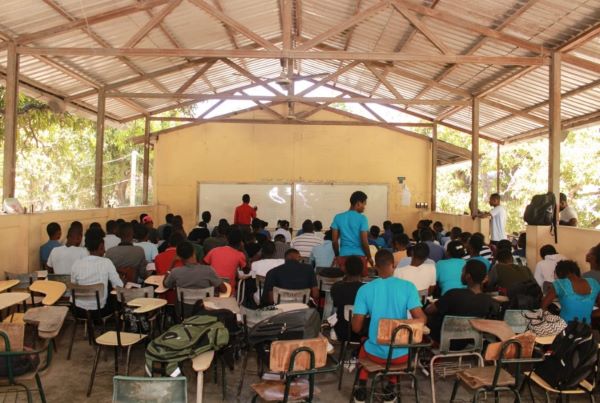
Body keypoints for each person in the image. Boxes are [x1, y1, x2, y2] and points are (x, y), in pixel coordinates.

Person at [351, 249, 426, 402]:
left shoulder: (364, 290)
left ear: (375, 267)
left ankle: (362, 387)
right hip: (402, 356)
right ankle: (391, 388)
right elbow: (421, 319)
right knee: (396, 347)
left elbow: (356, 328)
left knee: (364, 346)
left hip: (375, 355)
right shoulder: (408, 287)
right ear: (393, 265)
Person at [426, 260, 499, 344]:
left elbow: (429, 310)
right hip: (471, 341)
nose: (461, 274)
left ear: (468, 276)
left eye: (462, 272)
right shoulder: (487, 300)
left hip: (445, 341)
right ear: (485, 278)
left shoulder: (453, 294)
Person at [71, 228, 123, 315]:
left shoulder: (76, 263)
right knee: (114, 294)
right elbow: (119, 286)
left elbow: (73, 285)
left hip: (78, 310)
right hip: (99, 310)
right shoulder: (106, 262)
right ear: (101, 246)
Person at [331, 191, 373, 276]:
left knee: (344, 284)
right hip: (359, 258)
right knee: (360, 285)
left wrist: (337, 255)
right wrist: (369, 257)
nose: (364, 207)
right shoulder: (362, 218)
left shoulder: (338, 217)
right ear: (358, 203)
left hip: (343, 256)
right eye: (364, 204)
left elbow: (334, 241)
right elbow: (364, 242)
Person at [330, 256, 364, 341]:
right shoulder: (367, 289)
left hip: (342, 331)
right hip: (363, 332)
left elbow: (336, 304)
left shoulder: (336, 287)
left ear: (345, 269)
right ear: (362, 270)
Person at [203, 227, 247, 291]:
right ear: (241, 242)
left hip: (211, 290)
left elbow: (204, 265)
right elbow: (246, 270)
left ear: (227, 239)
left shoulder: (214, 250)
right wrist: (243, 249)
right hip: (228, 291)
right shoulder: (240, 255)